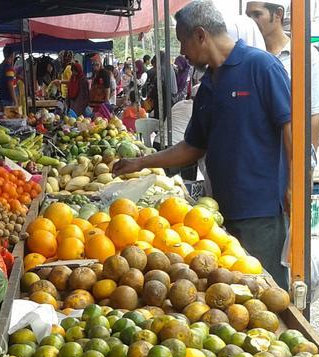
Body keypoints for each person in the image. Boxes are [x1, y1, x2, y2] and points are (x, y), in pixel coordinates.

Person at [115, 0, 292, 288]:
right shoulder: (209, 84)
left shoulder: (260, 66)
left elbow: (290, 126)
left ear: (200, 35)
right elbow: (193, 147)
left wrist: (292, 186)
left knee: (267, 291)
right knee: (231, 294)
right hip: (217, 212)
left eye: (183, 42)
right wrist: (141, 162)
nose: (182, 52)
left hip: (261, 211)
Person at [245, 0, 319, 151]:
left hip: (288, 152)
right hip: (253, 154)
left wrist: (308, 164)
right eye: (248, 16)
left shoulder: (306, 55)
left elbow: (314, 113)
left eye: (257, 14)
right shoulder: (247, 56)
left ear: (278, 14)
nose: (251, 22)